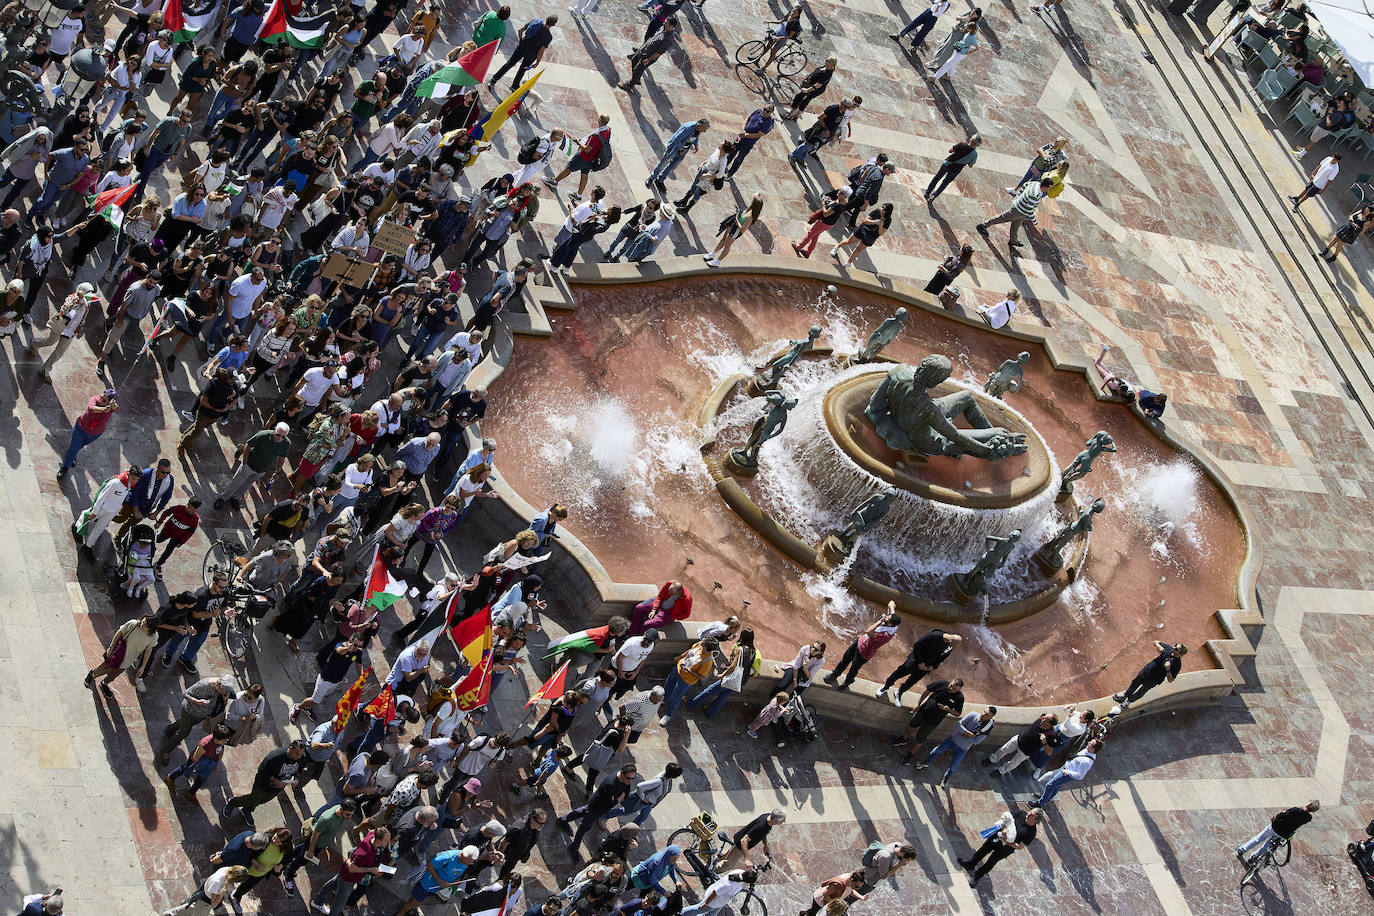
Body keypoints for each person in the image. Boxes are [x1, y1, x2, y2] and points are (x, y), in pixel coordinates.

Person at [222, 739, 309, 828]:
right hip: (263, 784)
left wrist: (296, 778)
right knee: (253, 799)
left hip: (277, 788)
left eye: (301, 754)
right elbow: (262, 771)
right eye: (297, 753)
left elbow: (299, 770)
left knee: (263, 801)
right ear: (290, 748)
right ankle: (233, 802)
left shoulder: (302, 758)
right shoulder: (274, 757)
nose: (299, 756)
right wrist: (276, 781)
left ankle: (246, 810)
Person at [556, 763, 637, 852]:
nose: (629, 781)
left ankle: (563, 819)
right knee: (585, 827)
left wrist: (621, 797)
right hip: (597, 807)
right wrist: (619, 799)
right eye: (628, 778)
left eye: (632, 779)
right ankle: (574, 848)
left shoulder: (625, 780)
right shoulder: (611, 784)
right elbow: (609, 803)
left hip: (598, 806)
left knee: (584, 811)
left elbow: (626, 790)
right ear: (622, 773)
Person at [876, 628, 962, 706]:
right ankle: (885, 687)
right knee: (898, 674)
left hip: (926, 667)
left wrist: (934, 666)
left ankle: (899, 692)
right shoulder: (934, 636)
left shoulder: (951, 646)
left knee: (911, 681)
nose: (954, 648)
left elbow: (944, 656)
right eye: (954, 646)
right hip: (915, 661)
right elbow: (917, 645)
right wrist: (920, 662)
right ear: (951, 641)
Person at [913, 706, 996, 787]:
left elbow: (976, 741)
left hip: (963, 748)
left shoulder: (986, 728)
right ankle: (926, 763)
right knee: (937, 750)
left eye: (987, 715)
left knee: (953, 766)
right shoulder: (973, 715)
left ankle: (946, 778)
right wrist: (969, 734)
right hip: (952, 740)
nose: (983, 714)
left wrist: (963, 730)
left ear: (990, 718)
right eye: (984, 712)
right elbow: (958, 725)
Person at [957, 807, 1040, 885]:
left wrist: (1007, 841)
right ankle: (970, 865)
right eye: (1030, 812)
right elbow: (1006, 818)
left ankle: (977, 876)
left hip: (1006, 848)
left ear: (1035, 821)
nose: (1028, 814)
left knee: (991, 861)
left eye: (1031, 815)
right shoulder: (1021, 813)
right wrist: (1003, 829)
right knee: (983, 850)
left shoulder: (1031, 832)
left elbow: (1020, 846)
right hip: (997, 836)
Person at [83, 614, 159, 698]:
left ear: (151, 628)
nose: (142, 625)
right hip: (118, 653)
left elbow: (148, 651)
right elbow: (119, 632)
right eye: (143, 621)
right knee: (104, 668)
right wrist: (111, 648)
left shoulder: (153, 636)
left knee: (114, 674)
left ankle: (104, 683)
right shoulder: (133, 624)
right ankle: (92, 674)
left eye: (145, 625)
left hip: (128, 660)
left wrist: (143, 667)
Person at [894, 677, 964, 764]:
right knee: (912, 725)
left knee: (920, 737)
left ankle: (911, 754)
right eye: (951, 685)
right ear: (951, 681)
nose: (951, 689)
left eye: (954, 689)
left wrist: (948, 710)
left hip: (933, 721)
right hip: (923, 711)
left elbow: (958, 713)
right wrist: (918, 703)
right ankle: (903, 739)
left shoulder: (959, 698)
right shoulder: (942, 684)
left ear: (959, 690)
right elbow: (927, 690)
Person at [976, 176, 1054, 252]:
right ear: (1045, 187)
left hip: (1022, 211)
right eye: (1049, 188)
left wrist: (1018, 196)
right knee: (1002, 218)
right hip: (1018, 211)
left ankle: (1013, 241)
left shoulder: (1036, 183)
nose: (1050, 190)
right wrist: (1034, 221)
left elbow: (1025, 185)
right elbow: (1029, 209)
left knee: (1016, 225)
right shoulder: (1034, 194)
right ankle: (983, 226)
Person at [57, 387, 118, 479]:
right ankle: (65, 467)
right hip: (81, 428)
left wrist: (113, 407)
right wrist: (104, 409)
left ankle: (72, 456)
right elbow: (91, 408)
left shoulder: (110, 407)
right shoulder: (95, 399)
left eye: (104, 400)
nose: (101, 399)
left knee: (79, 446)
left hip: (94, 434)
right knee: (74, 448)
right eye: (102, 396)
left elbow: (116, 407)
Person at [1235, 801, 1319, 865]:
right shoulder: (1308, 818)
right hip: (1283, 834)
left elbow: (1281, 815)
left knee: (1258, 839)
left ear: (1308, 804)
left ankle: (1242, 850)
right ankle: (1253, 858)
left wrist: (1274, 818)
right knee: (1266, 846)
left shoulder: (1295, 810)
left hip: (1275, 827)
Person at [1112, 641, 1187, 707]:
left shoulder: (1177, 664)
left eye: (1176, 649)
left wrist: (1168, 669)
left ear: (1180, 654)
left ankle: (1128, 702)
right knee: (1135, 683)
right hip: (1146, 670)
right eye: (1175, 645)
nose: (1173, 648)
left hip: (1154, 680)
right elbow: (1155, 642)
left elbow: (1171, 680)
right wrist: (1159, 647)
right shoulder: (1168, 649)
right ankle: (1125, 695)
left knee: (1141, 691)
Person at [1031, 739, 1100, 807]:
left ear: (1094, 749)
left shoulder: (1087, 762)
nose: (1088, 743)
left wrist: (1067, 772)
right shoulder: (1087, 750)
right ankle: (1045, 798)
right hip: (1065, 769)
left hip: (1066, 774)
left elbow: (1080, 776)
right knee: (1056, 787)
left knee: (1049, 786)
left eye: (1090, 744)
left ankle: (1040, 803)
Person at [705, 193, 764, 266]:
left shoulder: (751, 217)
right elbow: (756, 196)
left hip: (736, 230)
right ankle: (713, 254)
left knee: (727, 245)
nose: (751, 200)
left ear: (754, 204)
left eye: (753, 200)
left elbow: (743, 230)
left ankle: (717, 261)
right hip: (733, 225)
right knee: (723, 239)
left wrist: (737, 221)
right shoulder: (750, 209)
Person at [161, 865, 248, 915]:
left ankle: (170, 913)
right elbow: (214, 904)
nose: (237, 884)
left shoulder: (228, 869)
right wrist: (224, 889)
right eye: (237, 881)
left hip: (203, 896)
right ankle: (170, 914)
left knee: (190, 908)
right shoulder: (217, 882)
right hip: (205, 902)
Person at [682, 868, 756, 915]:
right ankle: (680, 913)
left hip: (720, 903)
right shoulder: (729, 885)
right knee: (697, 909)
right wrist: (706, 904)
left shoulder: (740, 872)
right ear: (746, 881)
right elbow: (715, 892)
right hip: (712, 902)